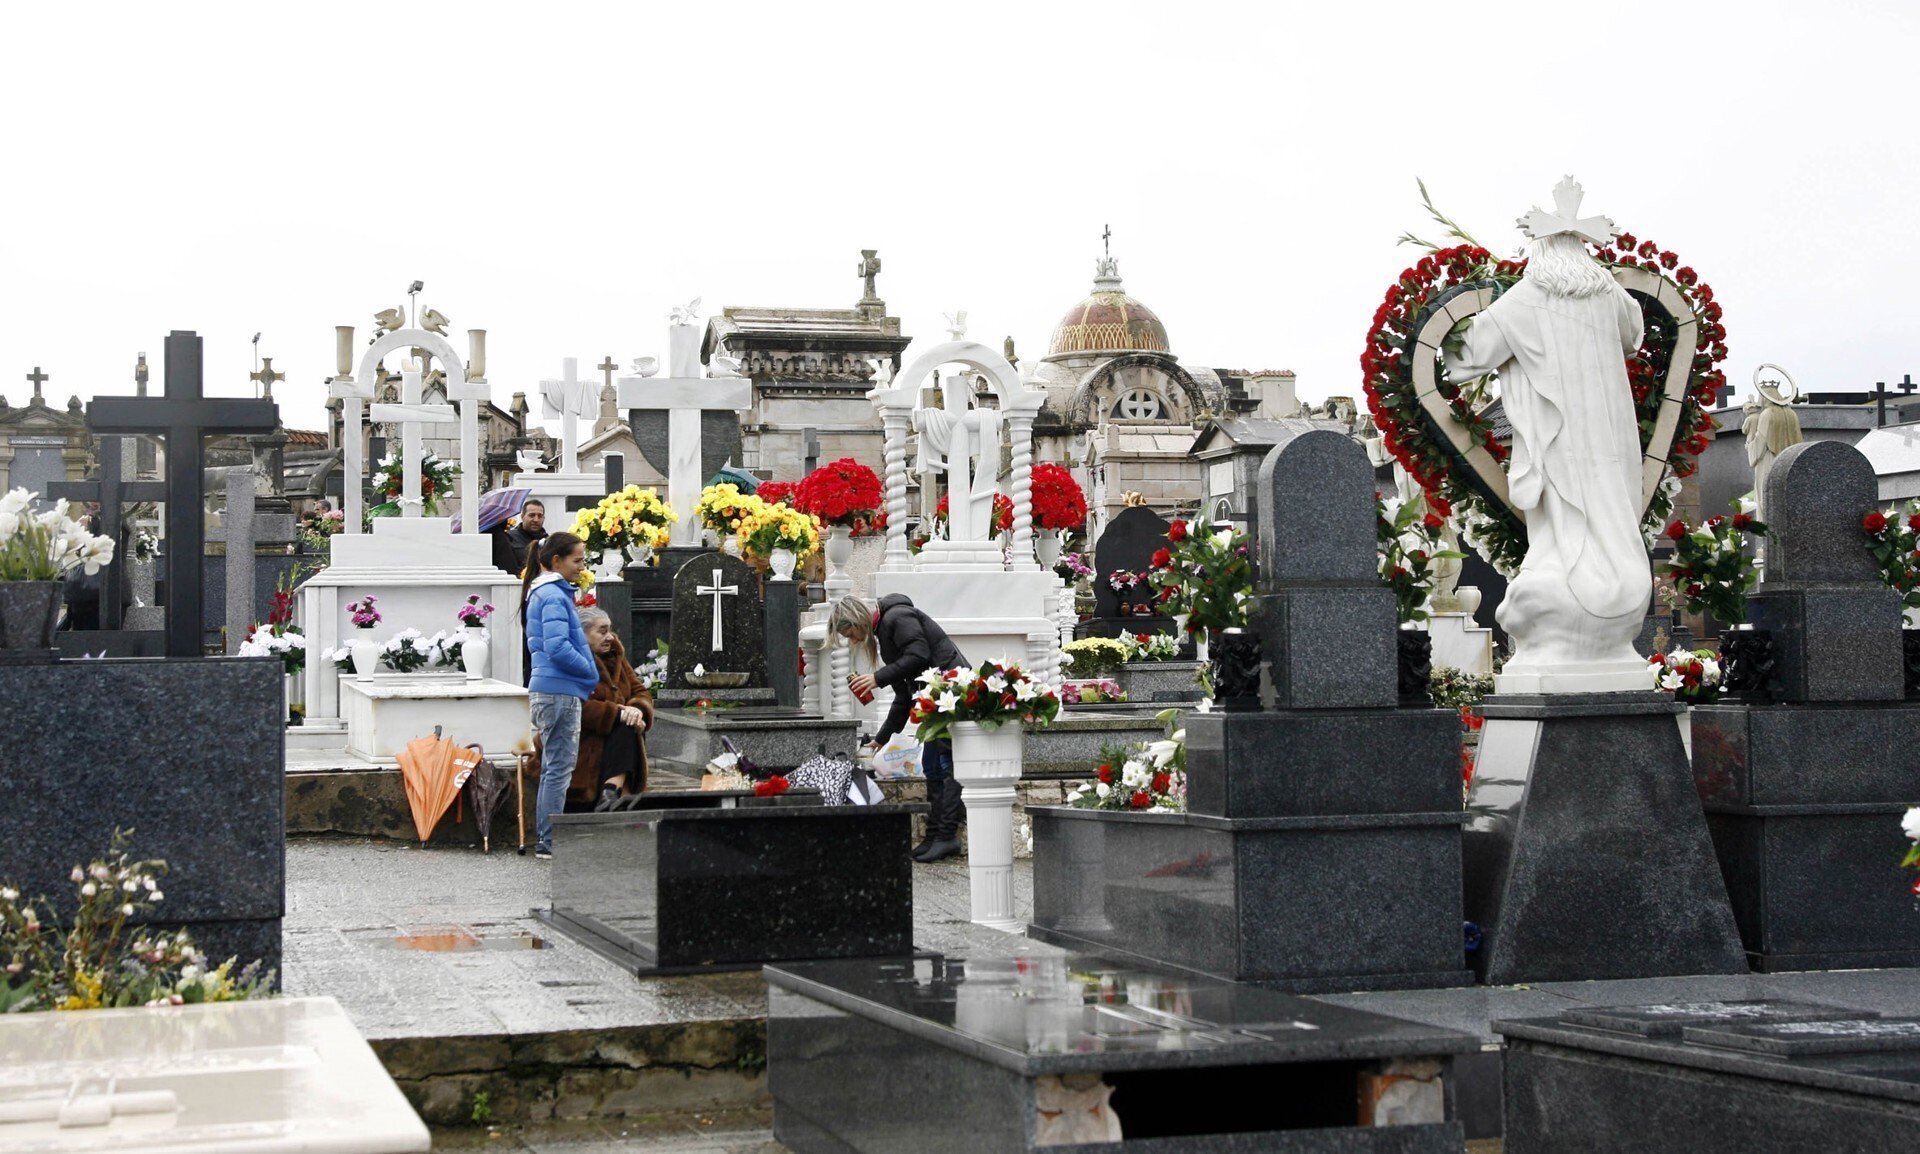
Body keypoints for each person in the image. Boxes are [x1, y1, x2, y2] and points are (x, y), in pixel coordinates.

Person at [833, 594, 966, 863]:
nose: (854, 641)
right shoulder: (886, 633)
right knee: (932, 767)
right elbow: (904, 696)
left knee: (946, 766)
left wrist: (877, 678)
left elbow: (919, 655)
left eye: (851, 634)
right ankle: (935, 834)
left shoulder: (897, 617)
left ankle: (946, 835)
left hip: (950, 693)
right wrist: (881, 738)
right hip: (934, 698)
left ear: (858, 620)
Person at [521, 530, 596, 860]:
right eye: (577, 560)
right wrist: (589, 671)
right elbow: (558, 647)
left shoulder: (543, 592)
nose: (582, 566)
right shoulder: (553, 595)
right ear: (556, 560)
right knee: (559, 769)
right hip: (559, 689)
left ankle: (546, 838)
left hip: (549, 689)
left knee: (554, 767)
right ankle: (548, 841)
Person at [572, 606, 653, 811]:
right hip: (583, 742)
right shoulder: (573, 660)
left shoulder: (616, 657)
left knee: (629, 726)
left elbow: (639, 691)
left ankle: (611, 791)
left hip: (617, 738)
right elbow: (574, 706)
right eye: (602, 631)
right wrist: (617, 713)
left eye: (609, 630)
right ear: (583, 634)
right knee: (626, 725)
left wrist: (636, 710)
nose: (609, 637)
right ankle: (612, 793)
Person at [493, 499, 548, 576]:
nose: (536, 519)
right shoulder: (508, 538)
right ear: (522, 517)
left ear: (544, 518)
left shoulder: (549, 542)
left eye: (540, 516)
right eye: (531, 515)